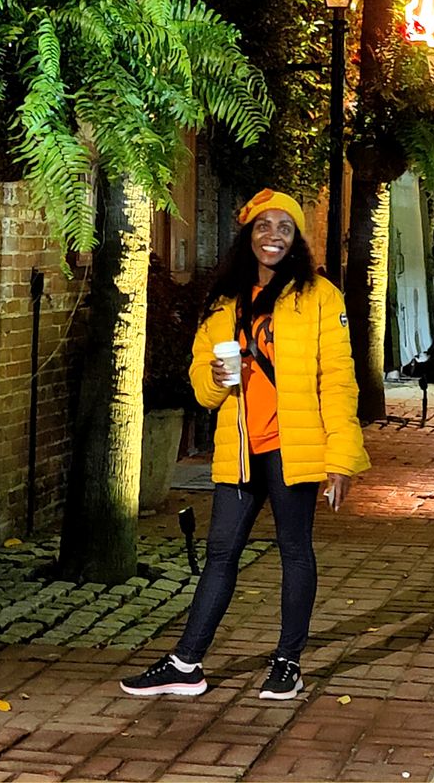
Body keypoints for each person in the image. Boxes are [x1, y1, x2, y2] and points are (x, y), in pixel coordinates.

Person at [120, 189, 370, 701]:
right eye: (262, 226)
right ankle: (186, 663)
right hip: (239, 445)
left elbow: (339, 381)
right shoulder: (224, 301)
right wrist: (214, 377)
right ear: (248, 235)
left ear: (296, 237)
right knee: (220, 552)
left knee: (294, 550)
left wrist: (340, 459)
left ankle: (287, 661)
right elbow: (202, 386)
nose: (272, 235)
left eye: (283, 226)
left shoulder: (320, 296)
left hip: (293, 444)